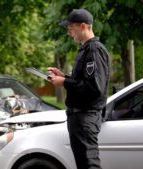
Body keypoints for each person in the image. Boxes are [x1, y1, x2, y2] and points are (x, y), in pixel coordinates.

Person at [48, 9, 110, 169]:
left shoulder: (94, 50)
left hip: (85, 117)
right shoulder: (86, 49)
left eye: (71, 28)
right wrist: (65, 77)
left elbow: (94, 87)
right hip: (79, 118)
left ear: (83, 26)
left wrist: (65, 83)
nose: (69, 32)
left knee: (89, 165)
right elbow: (85, 81)